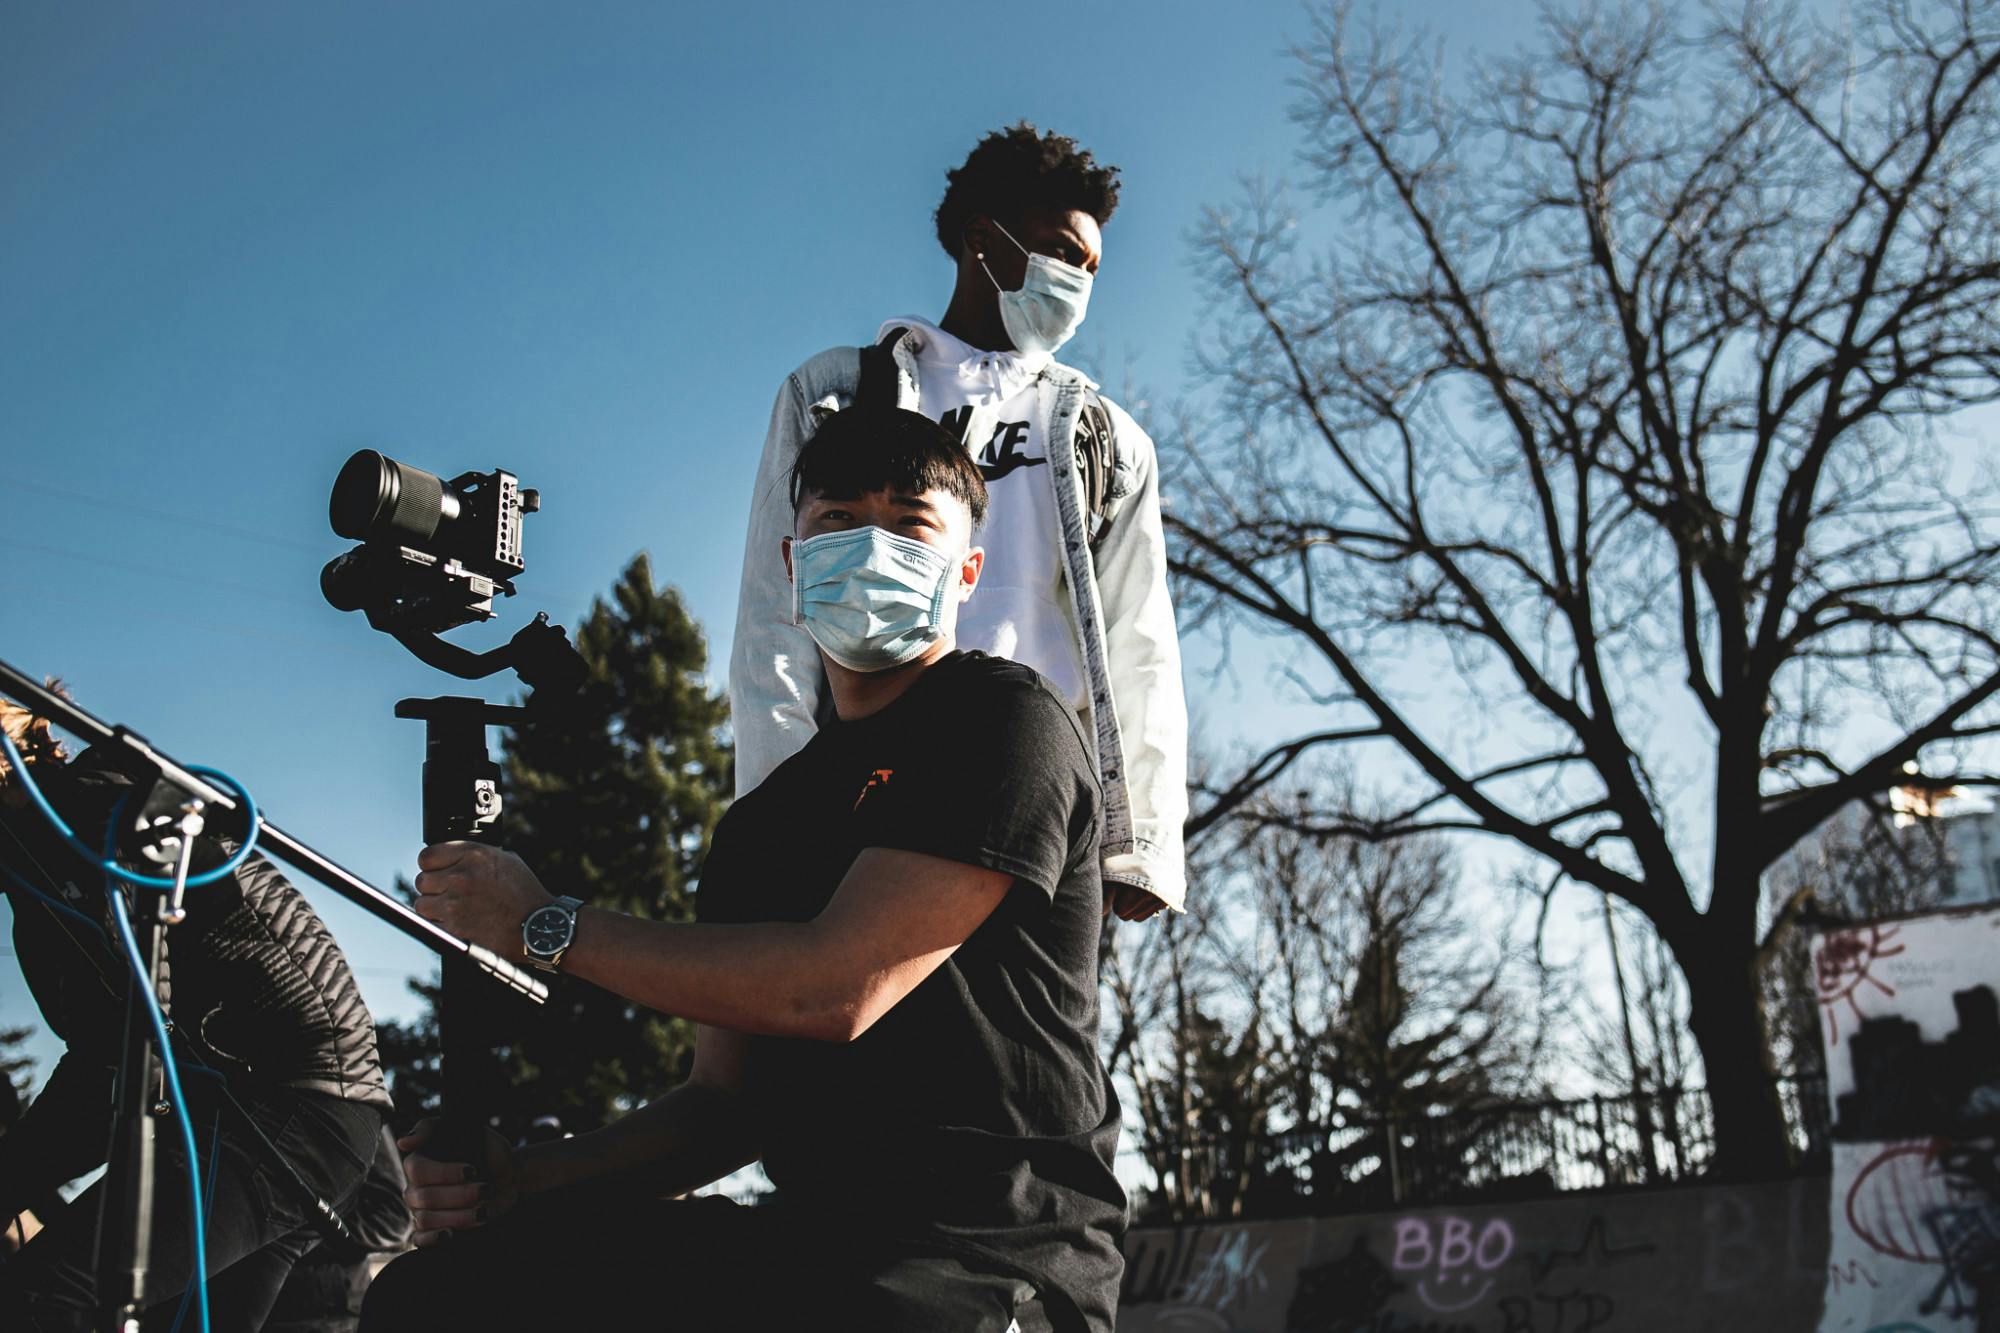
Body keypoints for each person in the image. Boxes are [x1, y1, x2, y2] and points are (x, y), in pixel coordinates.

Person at [362, 408, 1126, 1332]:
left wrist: (543, 923)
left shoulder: (1002, 721)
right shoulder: (765, 824)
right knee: (437, 1298)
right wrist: (523, 1178)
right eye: (838, 520)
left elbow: (834, 988)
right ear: (794, 567)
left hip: (986, 1258)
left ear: (966, 570)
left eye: (909, 524)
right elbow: (722, 1107)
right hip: (811, 1244)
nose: (870, 546)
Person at [729, 122, 1188, 923]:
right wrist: (778, 804)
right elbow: (774, 606)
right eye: (1060, 251)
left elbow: (1139, 638)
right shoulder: (836, 392)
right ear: (984, 237)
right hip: (870, 772)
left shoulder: (1108, 441)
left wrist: (1141, 839)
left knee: (1016, 1039)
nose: (1078, 280)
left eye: (1090, 267)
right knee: (833, 1018)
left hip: (1035, 778)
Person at [0, 691, 391, 1332]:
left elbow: (114, 1057)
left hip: (287, 1112)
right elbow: (110, 1054)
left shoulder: (97, 822)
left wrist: (14, 1175)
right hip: (289, 1118)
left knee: (44, 1299)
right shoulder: (49, 860)